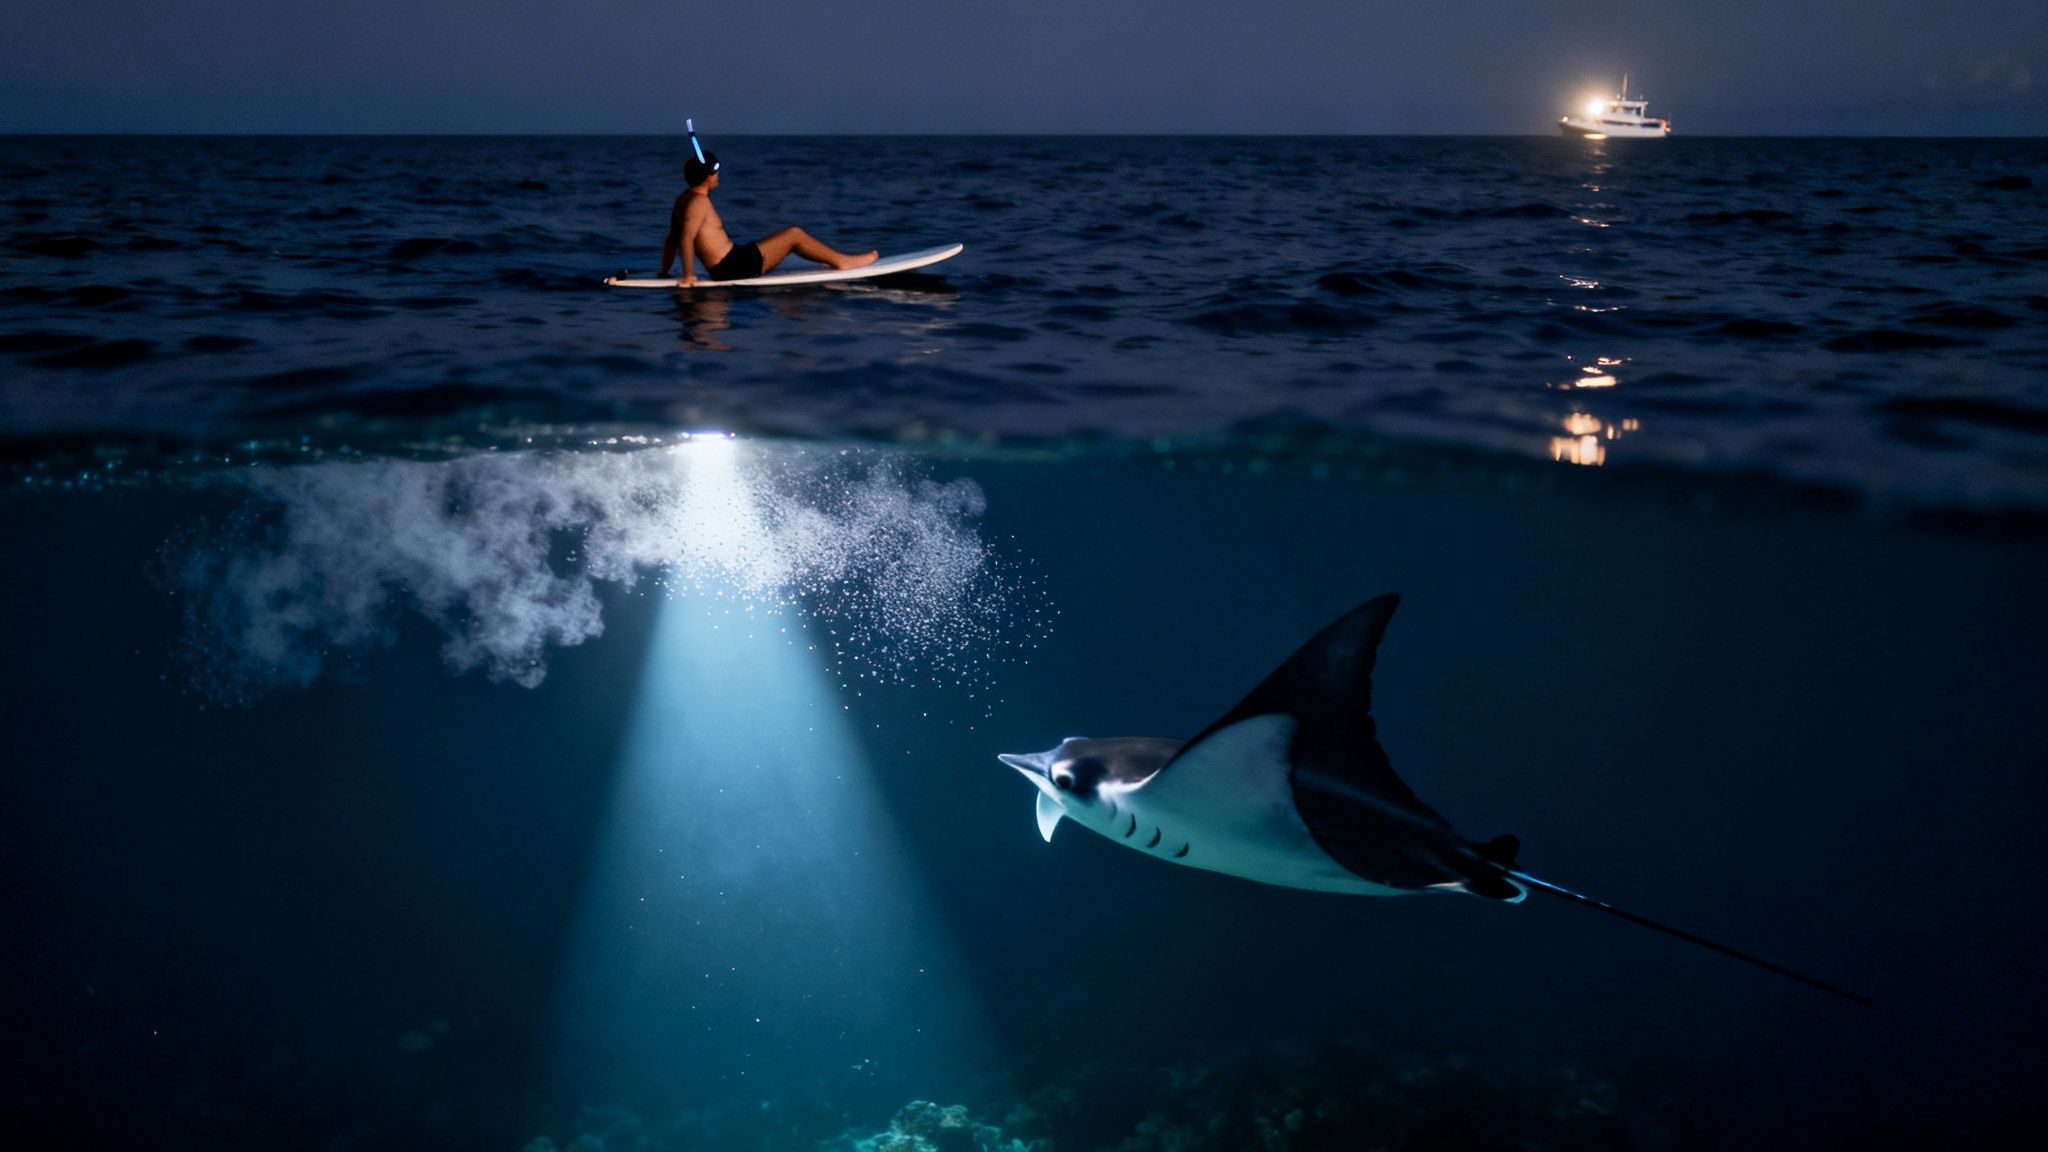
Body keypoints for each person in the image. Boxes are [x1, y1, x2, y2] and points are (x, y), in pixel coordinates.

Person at [658, 151, 877, 286]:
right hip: (733, 267)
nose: (719, 175)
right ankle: (842, 261)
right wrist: (689, 276)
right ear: (708, 177)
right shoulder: (700, 203)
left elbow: (672, 239)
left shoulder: (683, 200)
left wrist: (664, 272)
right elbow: (685, 239)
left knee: (783, 240)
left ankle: (830, 259)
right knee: (794, 234)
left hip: (732, 260)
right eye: (716, 172)